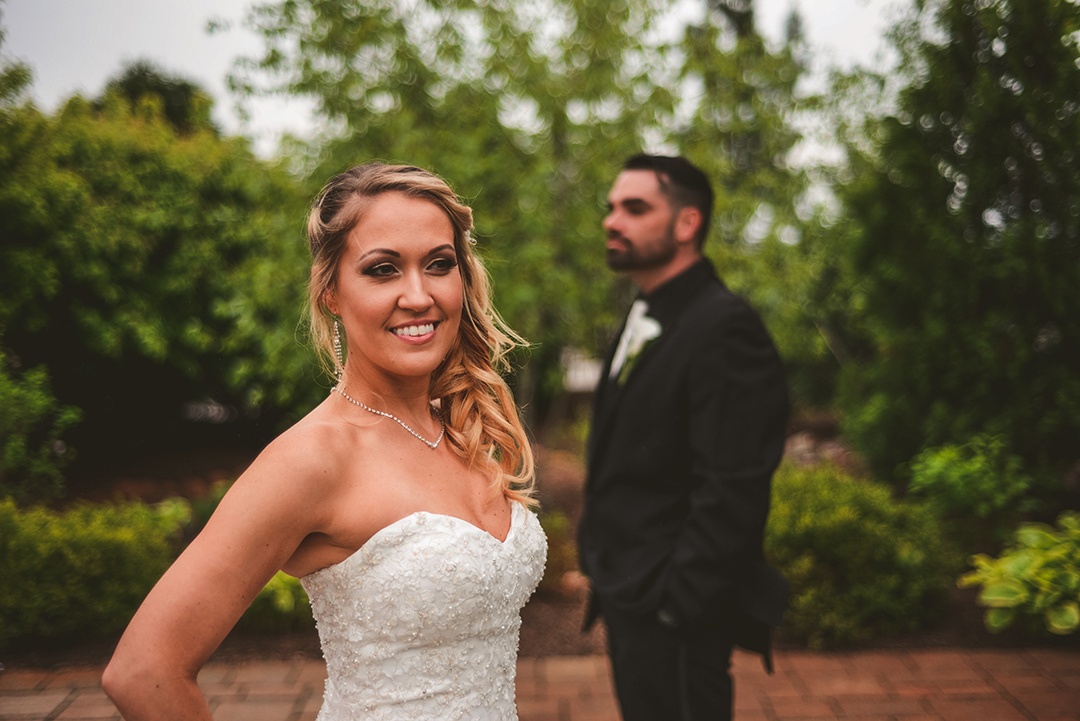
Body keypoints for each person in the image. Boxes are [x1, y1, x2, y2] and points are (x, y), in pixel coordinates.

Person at [103, 163, 547, 721]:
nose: (418, 295)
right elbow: (143, 670)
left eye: (439, 264)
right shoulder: (312, 459)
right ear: (331, 292)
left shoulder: (464, 428)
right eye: (383, 270)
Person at [578, 154, 789, 721]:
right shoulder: (646, 310)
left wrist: (677, 603)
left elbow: (734, 483)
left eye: (635, 208)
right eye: (611, 207)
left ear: (687, 223)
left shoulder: (725, 327)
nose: (612, 220)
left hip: (673, 607)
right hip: (630, 591)